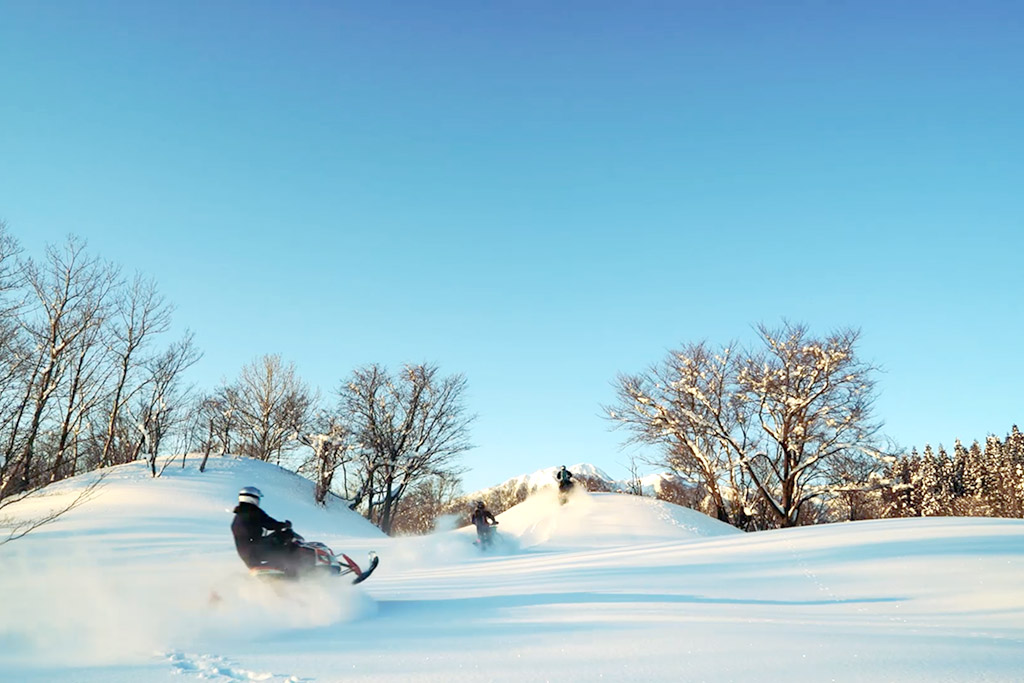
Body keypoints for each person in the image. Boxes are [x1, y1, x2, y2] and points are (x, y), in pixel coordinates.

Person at [231, 486, 295, 571]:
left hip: (247, 554)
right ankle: (292, 566)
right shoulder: (253, 512)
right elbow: (270, 523)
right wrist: (284, 525)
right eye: (257, 498)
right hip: (255, 550)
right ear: (252, 498)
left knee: (275, 539)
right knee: (284, 537)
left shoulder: (239, 515)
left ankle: (280, 565)